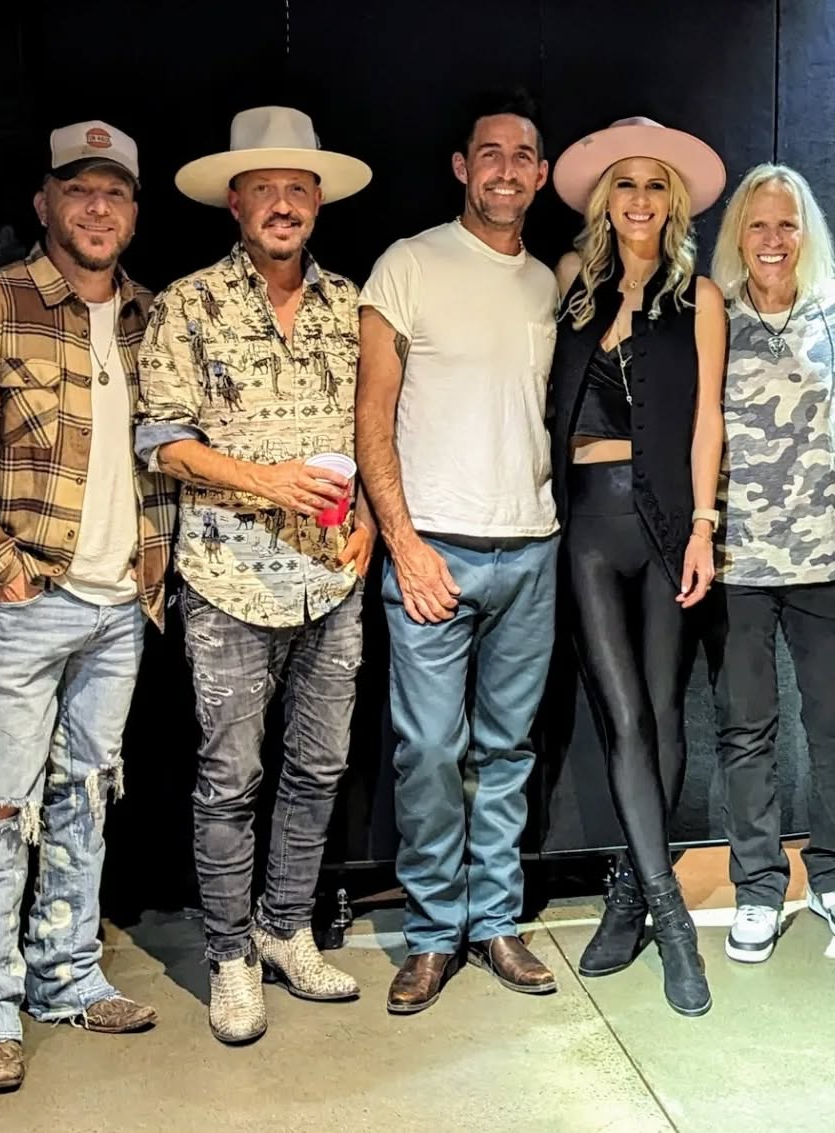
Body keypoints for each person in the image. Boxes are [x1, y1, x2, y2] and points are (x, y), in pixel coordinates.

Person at [0, 121, 169, 1090]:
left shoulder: (148, 316)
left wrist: (155, 565)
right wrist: (0, 568)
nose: (98, 209)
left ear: (133, 211)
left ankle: (65, 974)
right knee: (0, 808)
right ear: (45, 203)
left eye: (115, 193)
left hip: (118, 606)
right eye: (79, 190)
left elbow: (167, 451)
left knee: (85, 801)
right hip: (27, 603)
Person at [135, 106, 374, 1044]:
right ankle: (230, 954)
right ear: (235, 202)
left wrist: (369, 528)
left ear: (318, 201)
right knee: (230, 776)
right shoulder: (188, 304)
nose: (283, 203)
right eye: (264, 188)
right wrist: (264, 480)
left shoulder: (352, 304)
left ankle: (286, 928)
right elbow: (159, 438)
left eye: (298, 188)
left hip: (331, 577)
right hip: (228, 578)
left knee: (318, 767)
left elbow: (377, 432)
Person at [355, 90, 560, 1015]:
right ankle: (435, 933)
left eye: (523, 155)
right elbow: (373, 415)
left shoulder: (551, 282)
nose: (506, 169)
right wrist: (403, 541)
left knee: (507, 750)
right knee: (430, 751)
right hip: (434, 547)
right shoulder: (408, 265)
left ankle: (499, 923)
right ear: (461, 168)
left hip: (531, 548)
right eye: (490, 153)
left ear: (542, 173)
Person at [546, 117, 725, 1016]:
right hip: (583, 523)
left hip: (662, 521)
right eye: (627, 185)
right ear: (605, 200)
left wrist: (703, 523)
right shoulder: (574, 287)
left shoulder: (702, 297)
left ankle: (634, 893)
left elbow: (706, 425)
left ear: (674, 202)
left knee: (661, 709)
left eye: (656, 186)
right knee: (619, 718)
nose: (640, 201)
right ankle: (670, 916)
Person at [701, 164, 835, 965]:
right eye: (759, 225)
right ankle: (759, 887)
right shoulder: (715, 310)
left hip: (824, 560)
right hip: (737, 561)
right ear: (739, 232)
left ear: (807, 233)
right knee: (746, 732)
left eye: (787, 225)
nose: (773, 240)